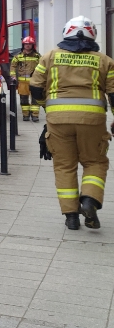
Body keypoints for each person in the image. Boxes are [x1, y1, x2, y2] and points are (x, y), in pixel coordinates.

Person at [30, 16, 114, 230]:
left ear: (66, 33)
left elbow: (35, 88)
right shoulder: (105, 61)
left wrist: (47, 107)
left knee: (64, 166)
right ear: (92, 35)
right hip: (92, 121)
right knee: (95, 162)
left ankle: (71, 217)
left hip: (58, 120)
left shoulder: (49, 57)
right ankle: (89, 201)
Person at [11, 36, 41, 121]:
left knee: (35, 100)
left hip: (35, 82)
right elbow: (13, 66)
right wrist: (13, 76)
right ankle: (26, 115)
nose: (28, 46)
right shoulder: (18, 56)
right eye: (26, 44)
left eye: (30, 44)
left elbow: (43, 66)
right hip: (22, 82)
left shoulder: (37, 56)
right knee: (24, 100)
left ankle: (35, 115)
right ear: (23, 45)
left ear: (33, 45)